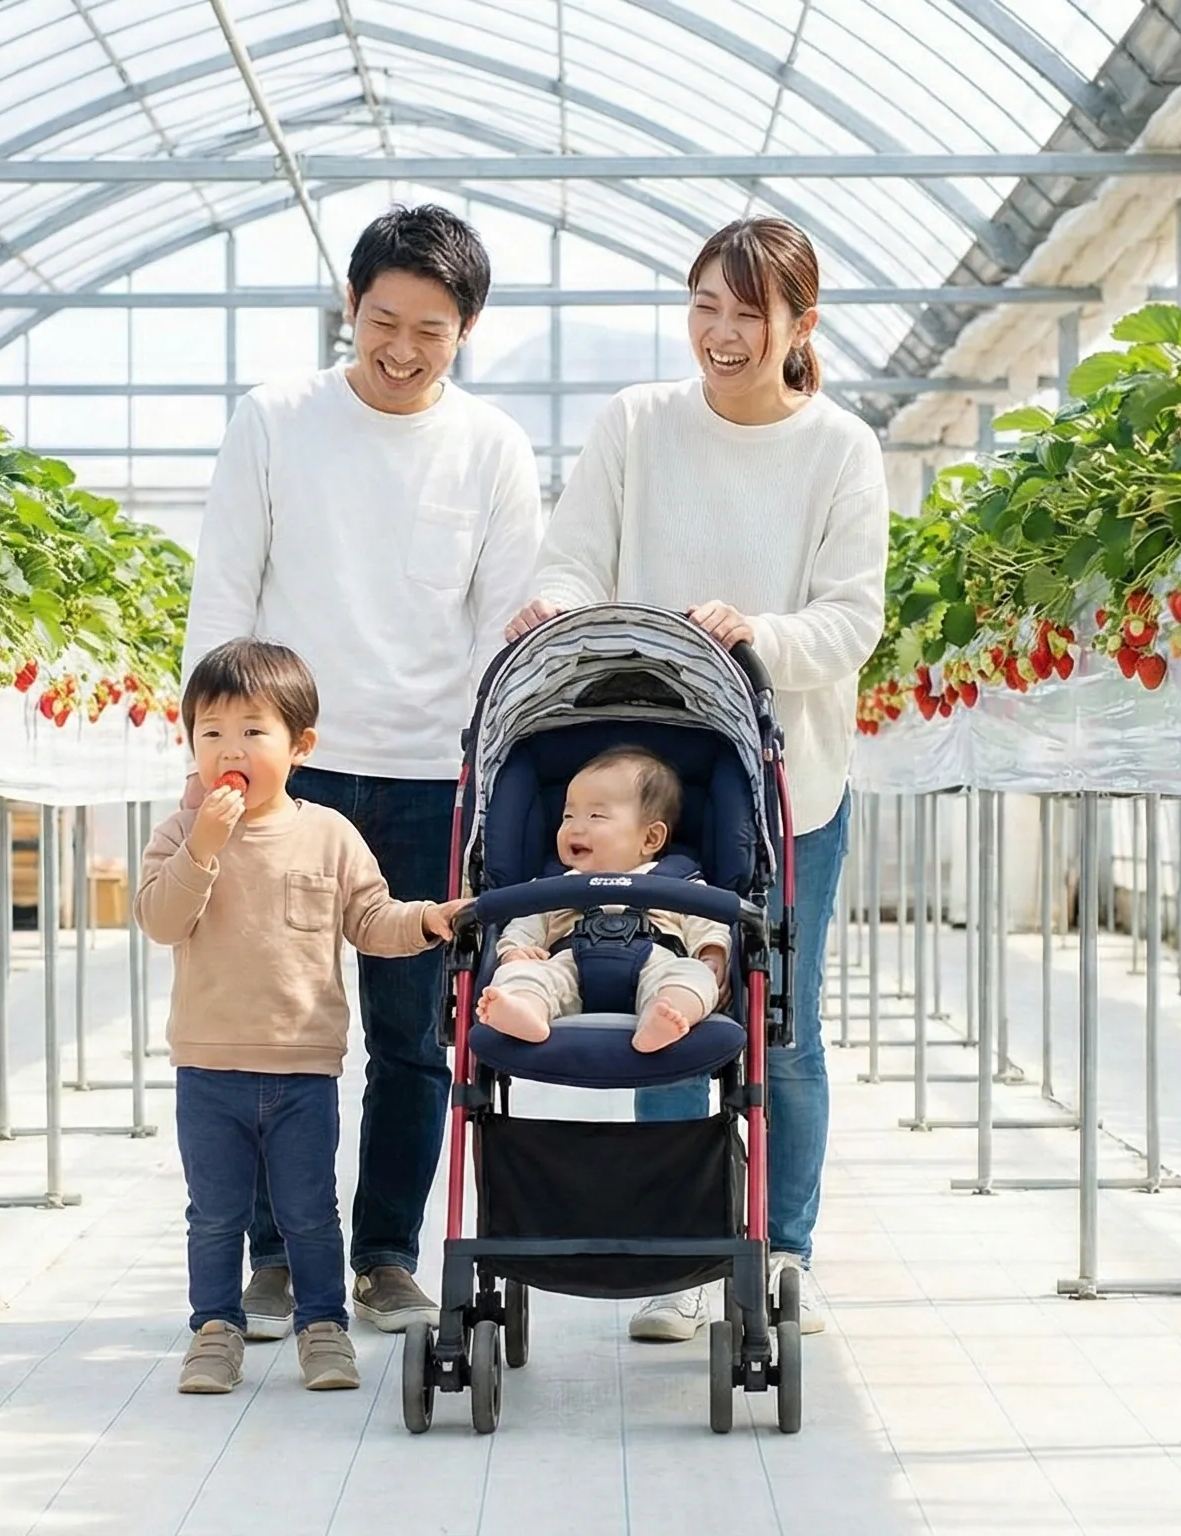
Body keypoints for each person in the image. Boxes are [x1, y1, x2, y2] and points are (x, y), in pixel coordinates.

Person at [506, 217, 886, 1343]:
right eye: (704, 307)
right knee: (659, 1002)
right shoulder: (637, 424)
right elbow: (573, 554)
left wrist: (755, 632)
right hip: (639, 774)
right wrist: (558, 604)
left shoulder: (838, 450)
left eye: (746, 313)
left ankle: (784, 1253)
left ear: (798, 326)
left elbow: (850, 622)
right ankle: (682, 1252)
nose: (719, 334)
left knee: (781, 1022)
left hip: (785, 783)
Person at [180, 205, 543, 1339]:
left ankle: (384, 1252)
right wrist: (215, 767)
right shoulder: (275, 421)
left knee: (410, 1036)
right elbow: (223, 594)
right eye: (381, 319)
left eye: (429, 330)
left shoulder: (490, 447)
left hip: (434, 778)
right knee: (269, 1027)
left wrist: (499, 783)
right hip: (287, 778)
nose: (399, 347)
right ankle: (279, 1256)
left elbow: (503, 630)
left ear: (465, 329)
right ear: (350, 307)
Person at [137, 639, 466, 1395]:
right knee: (214, 1216)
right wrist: (204, 847)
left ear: (300, 747)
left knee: (310, 1212)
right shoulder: (178, 834)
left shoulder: (328, 834)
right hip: (209, 1067)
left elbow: (371, 919)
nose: (230, 748)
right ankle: (214, 1331)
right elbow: (160, 918)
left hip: (303, 1069)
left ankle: (324, 1328)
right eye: (210, 732)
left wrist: (426, 920)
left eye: (253, 731)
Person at [476, 747, 728, 1053]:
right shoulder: (552, 885)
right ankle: (526, 1009)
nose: (575, 827)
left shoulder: (678, 881)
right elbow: (523, 922)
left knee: (693, 975)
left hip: (657, 960)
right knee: (521, 975)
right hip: (567, 964)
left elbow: (707, 919)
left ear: (650, 838)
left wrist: (712, 952)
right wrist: (514, 952)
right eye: (568, 815)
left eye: (596, 816)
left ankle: (665, 1014)